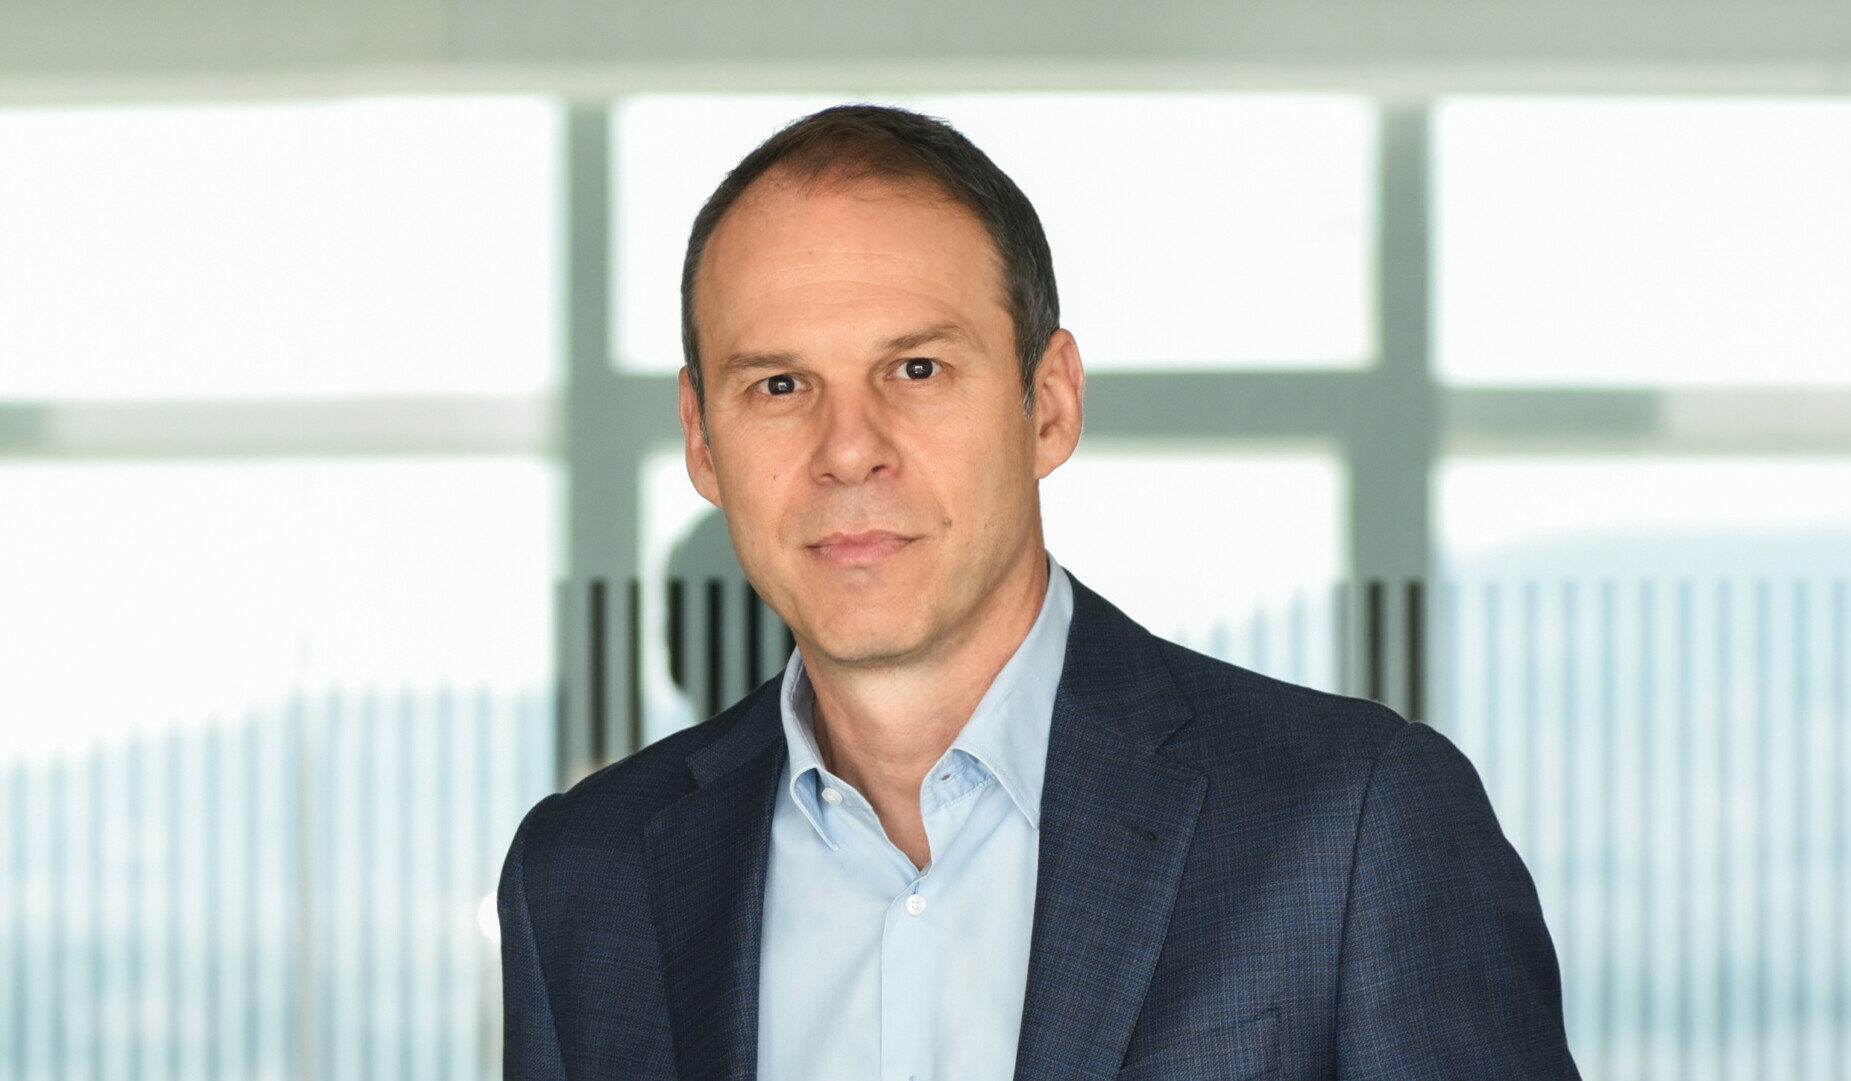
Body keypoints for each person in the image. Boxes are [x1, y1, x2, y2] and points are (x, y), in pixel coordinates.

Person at [500, 103, 1580, 1081]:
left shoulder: (1349, 825)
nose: (848, 449)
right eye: (779, 385)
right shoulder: (581, 883)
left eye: (916, 370)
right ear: (702, 440)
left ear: (1050, 404)